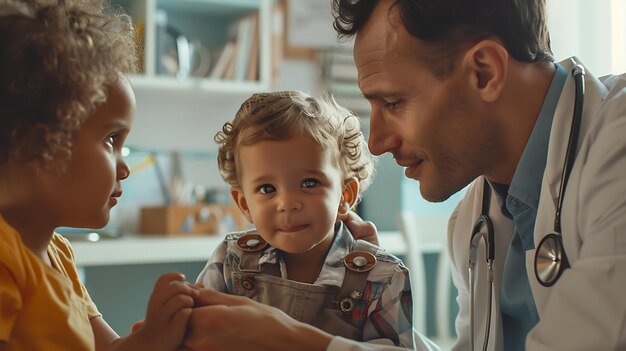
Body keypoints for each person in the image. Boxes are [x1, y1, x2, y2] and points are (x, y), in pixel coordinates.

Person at [181, 0, 626, 350]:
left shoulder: (616, 146)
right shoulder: (476, 220)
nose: (375, 143)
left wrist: (296, 342)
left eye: (393, 103)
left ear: (484, 71)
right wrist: (354, 322)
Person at [0, 0, 199, 350]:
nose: (125, 167)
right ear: (39, 146)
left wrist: (155, 335)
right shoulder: (6, 261)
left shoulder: (58, 254)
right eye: (112, 140)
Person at [190, 90, 415, 348]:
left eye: (309, 183)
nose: (287, 203)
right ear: (244, 204)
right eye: (266, 189)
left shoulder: (382, 277)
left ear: (345, 194)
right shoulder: (231, 260)